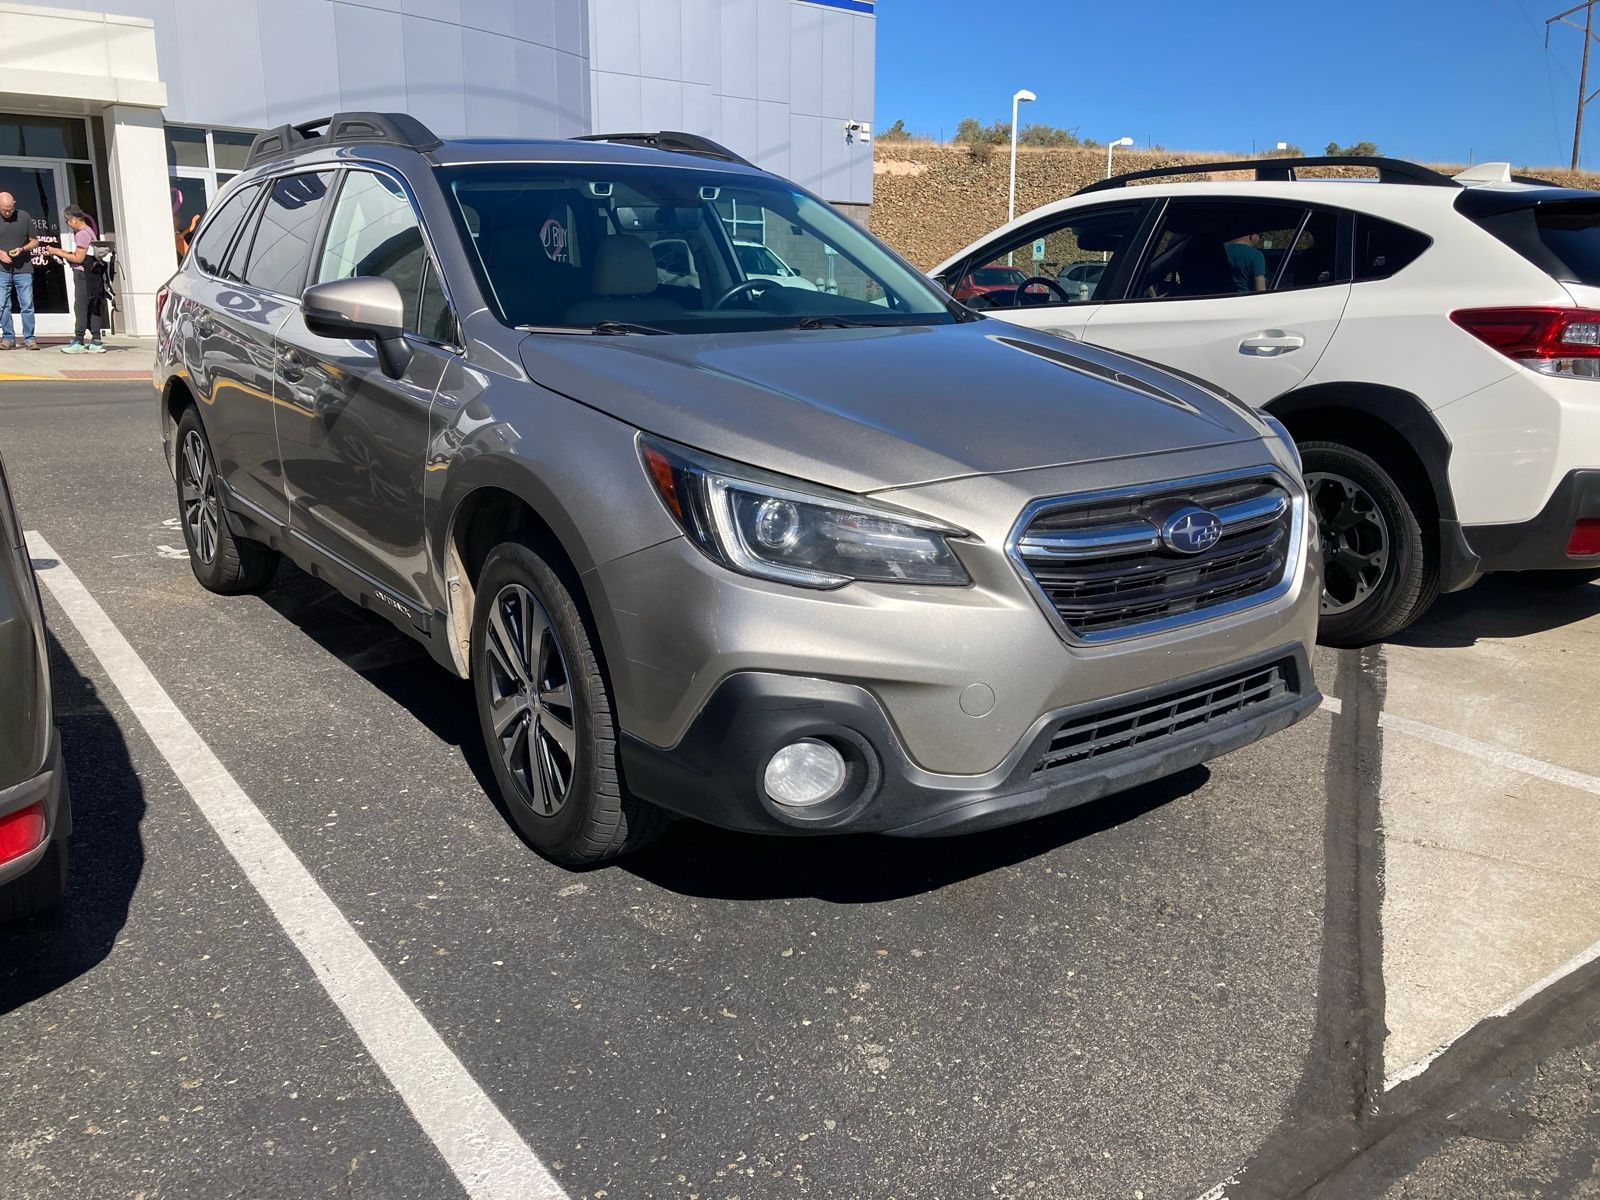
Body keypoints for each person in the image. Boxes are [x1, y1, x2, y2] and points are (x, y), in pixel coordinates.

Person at [42, 205, 104, 353]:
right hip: (92, 274)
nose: (68, 225)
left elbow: (79, 257)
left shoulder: (82, 234)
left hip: (83, 274)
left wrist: (57, 252)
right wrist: (60, 251)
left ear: (75, 219)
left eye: (67, 221)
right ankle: (96, 340)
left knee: (81, 306)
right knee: (92, 305)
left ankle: (79, 340)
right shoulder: (89, 231)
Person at [0, 191, 40, 350]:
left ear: (14, 203)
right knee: (3, 305)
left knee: (27, 304)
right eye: (4, 210)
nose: (8, 212)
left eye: (10, 209)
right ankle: (8, 337)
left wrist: (22, 249)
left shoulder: (24, 216)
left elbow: (35, 241)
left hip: (23, 268)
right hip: (2, 269)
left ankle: (29, 338)